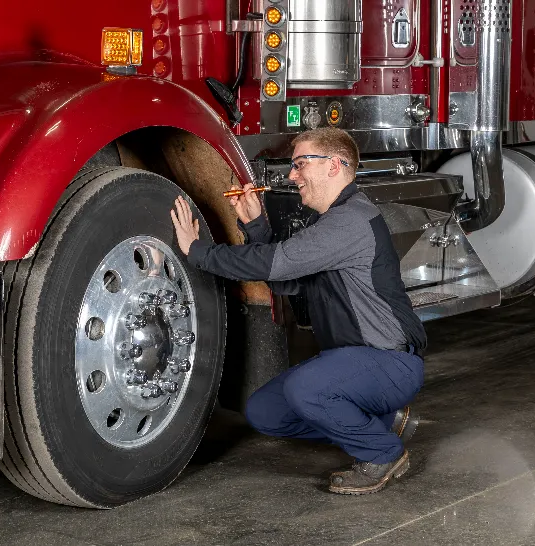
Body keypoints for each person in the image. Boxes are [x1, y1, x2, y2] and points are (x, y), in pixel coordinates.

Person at [171, 127, 427, 495]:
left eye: (300, 164)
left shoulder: (350, 220)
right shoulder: (329, 224)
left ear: (334, 166)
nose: (292, 176)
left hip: (389, 363)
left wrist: (196, 252)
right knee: (265, 412)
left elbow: (279, 264)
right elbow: (286, 282)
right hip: (352, 361)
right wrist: (257, 225)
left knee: (307, 388)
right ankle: (377, 423)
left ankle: (382, 452)